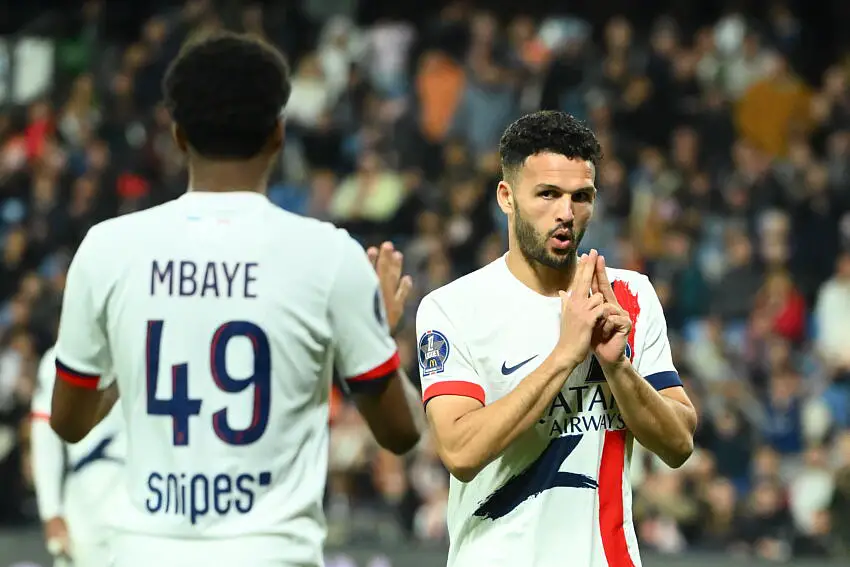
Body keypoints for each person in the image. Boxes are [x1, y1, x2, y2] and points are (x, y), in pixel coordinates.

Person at [48, 32, 423, 567]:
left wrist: (129, 372)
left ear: (178, 135)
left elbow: (68, 422)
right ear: (278, 133)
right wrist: (377, 335)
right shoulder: (328, 255)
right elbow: (402, 434)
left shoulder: (108, 247)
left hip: (143, 553)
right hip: (270, 553)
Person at [416, 110, 698, 567]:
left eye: (580, 197)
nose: (566, 213)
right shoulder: (453, 308)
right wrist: (566, 355)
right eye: (547, 194)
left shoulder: (628, 296)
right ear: (507, 197)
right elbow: (460, 451)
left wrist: (617, 367)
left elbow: (679, 442)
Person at [30, 345, 126, 567]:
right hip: (86, 504)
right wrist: (51, 511)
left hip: (148, 497)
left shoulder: (150, 342)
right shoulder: (60, 356)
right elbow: (45, 438)